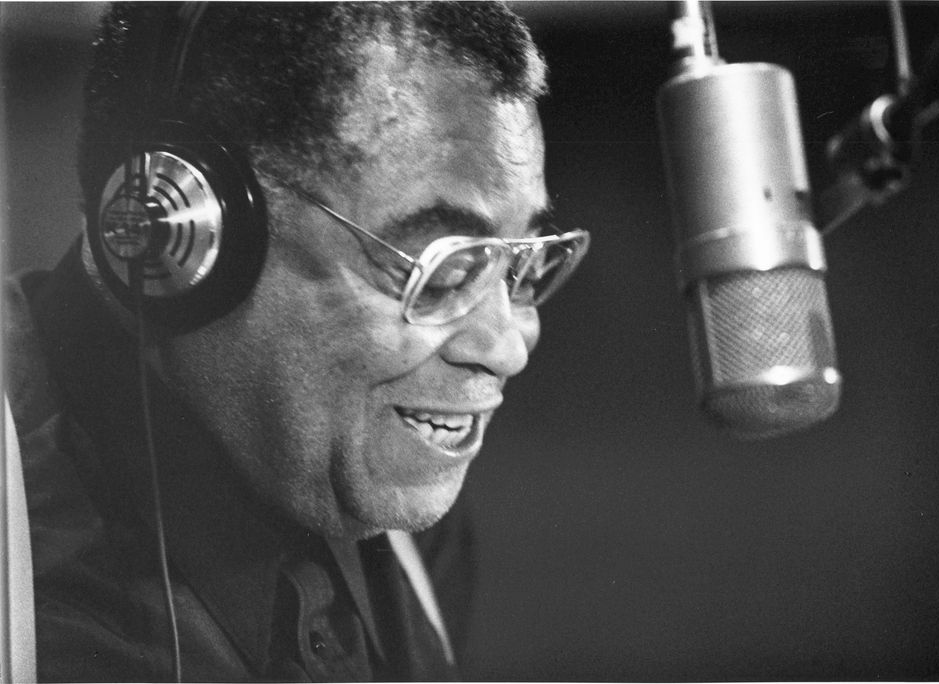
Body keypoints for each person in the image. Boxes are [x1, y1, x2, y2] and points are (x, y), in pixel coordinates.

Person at [4, 2, 589, 681]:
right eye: (441, 268)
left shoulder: (410, 530)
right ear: (187, 235)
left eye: (519, 266)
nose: (507, 346)